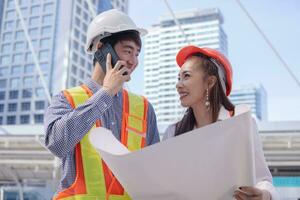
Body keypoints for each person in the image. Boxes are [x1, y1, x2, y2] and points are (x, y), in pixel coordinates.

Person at [44, 9, 160, 200]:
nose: (134, 61)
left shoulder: (145, 109)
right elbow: (57, 144)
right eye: (128, 51)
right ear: (102, 49)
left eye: (137, 53)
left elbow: (155, 168)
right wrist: (105, 94)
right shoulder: (65, 100)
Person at [162, 45, 279, 200]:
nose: (178, 85)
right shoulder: (173, 132)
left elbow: (262, 179)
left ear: (210, 82)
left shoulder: (241, 123)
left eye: (186, 76)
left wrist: (265, 195)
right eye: (178, 78)